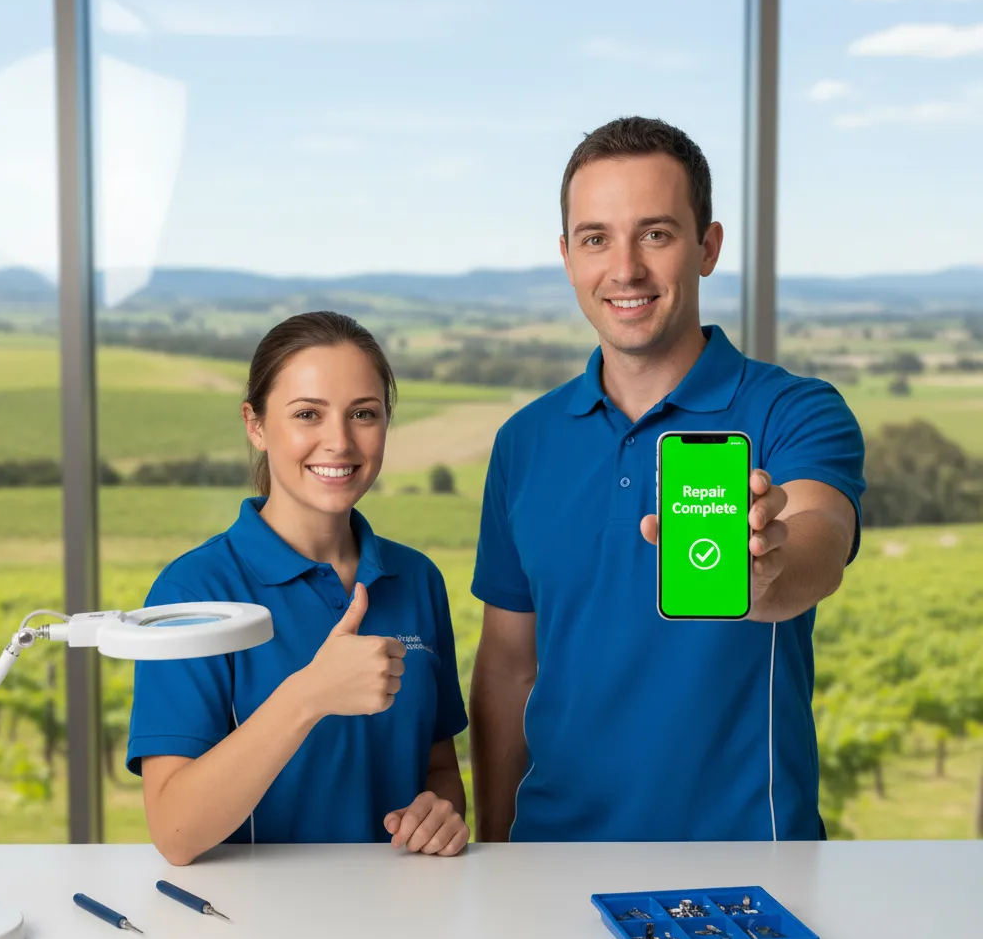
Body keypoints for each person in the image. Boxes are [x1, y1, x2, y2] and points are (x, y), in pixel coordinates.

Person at [469, 117, 866, 843]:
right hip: (550, 866)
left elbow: (822, 540)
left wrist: (767, 573)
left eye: (655, 234)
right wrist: (495, 847)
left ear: (707, 246)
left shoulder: (794, 410)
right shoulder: (524, 442)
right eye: (596, 239)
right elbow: (507, 669)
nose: (624, 269)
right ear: (567, 257)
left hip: (748, 864)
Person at [127, 311, 470, 865]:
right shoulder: (192, 592)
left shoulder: (418, 580)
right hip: (254, 931)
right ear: (256, 425)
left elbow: (437, 772)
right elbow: (174, 832)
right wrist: (310, 694)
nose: (338, 441)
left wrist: (440, 816)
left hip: (406, 921)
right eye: (308, 414)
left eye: (364, 414)